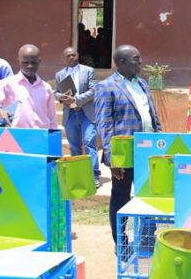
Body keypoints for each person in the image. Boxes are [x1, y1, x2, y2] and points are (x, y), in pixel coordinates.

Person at [95, 44, 161, 244]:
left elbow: (152, 114)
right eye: (136, 58)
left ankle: (147, 238)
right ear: (122, 62)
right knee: (121, 198)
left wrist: (160, 140)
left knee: (149, 196)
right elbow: (104, 124)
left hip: (149, 152)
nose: (140, 62)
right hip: (124, 154)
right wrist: (112, 156)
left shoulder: (142, 84)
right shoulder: (106, 87)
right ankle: (121, 241)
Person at [54, 47, 100, 188]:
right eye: (68, 56)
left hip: (86, 113)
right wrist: (60, 97)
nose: (71, 58)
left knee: (89, 142)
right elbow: (56, 92)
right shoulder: (60, 74)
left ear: (78, 55)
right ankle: (77, 174)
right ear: (64, 58)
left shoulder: (88, 71)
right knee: (74, 146)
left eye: (73, 55)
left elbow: (93, 90)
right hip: (71, 114)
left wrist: (76, 99)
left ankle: (93, 175)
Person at [0, 45, 57, 129]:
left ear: (39, 62)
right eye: (25, 62)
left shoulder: (46, 87)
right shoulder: (6, 84)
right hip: (16, 136)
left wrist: (53, 135)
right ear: (19, 61)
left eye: (33, 62)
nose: (30, 66)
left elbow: (52, 118)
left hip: (41, 137)